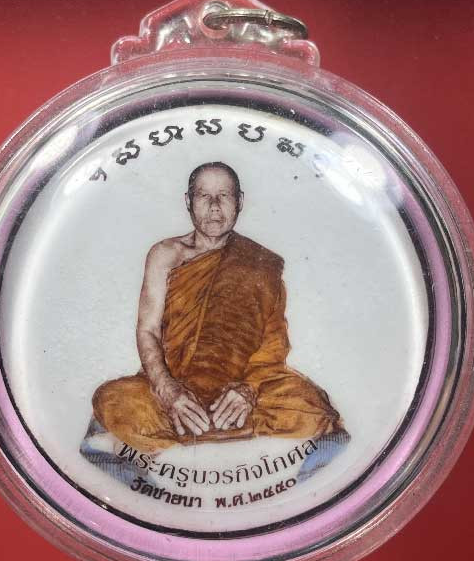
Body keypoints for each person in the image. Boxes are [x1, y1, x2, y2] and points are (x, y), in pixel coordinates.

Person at [91, 162, 348, 456]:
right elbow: (148, 331)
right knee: (113, 400)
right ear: (188, 201)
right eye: (204, 196)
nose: (214, 206)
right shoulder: (165, 255)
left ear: (240, 201)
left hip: (240, 389)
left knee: (311, 405)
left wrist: (248, 389)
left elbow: (273, 343)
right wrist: (168, 390)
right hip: (177, 385)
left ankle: (188, 438)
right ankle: (212, 433)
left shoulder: (261, 262)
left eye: (224, 195)